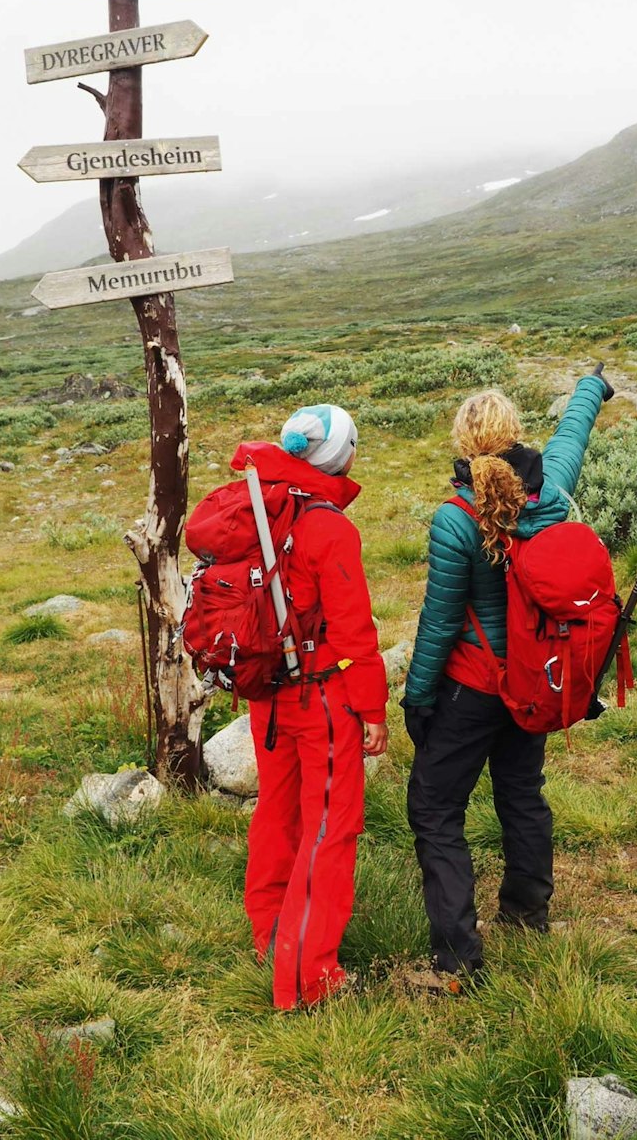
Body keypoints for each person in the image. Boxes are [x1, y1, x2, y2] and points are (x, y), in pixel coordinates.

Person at [402, 372, 612, 991]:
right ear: (516, 434)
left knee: (436, 808)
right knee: (521, 792)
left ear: (463, 444)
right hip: (536, 680)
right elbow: (572, 435)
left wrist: (418, 698)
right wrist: (592, 386)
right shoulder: (552, 489)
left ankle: (458, 958)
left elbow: (440, 621)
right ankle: (526, 914)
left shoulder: (456, 519)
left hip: (472, 686)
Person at [234, 403, 389, 1010]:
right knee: (331, 827)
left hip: (267, 693)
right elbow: (353, 632)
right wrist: (372, 709)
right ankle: (309, 976)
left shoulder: (258, 505)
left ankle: (270, 936)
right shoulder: (329, 527)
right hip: (320, 695)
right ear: (340, 459)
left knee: (278, 813)